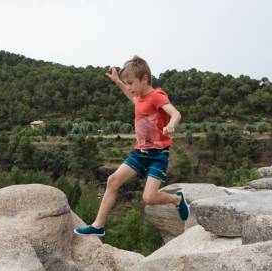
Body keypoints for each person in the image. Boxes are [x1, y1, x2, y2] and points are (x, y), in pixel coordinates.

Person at [74, 56, 187, 237]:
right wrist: (118, 81)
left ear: (145, 79)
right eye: (127, 83)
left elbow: (176, 113)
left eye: (131, 83)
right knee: (113, 180)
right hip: (139, 152)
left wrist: (171, 124)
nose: (129, 87)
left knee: (149, 198)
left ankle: (177, 199)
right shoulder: (139, 97)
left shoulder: (156, 96)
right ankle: (98, 226)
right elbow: (132, 97)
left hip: (158, 154)